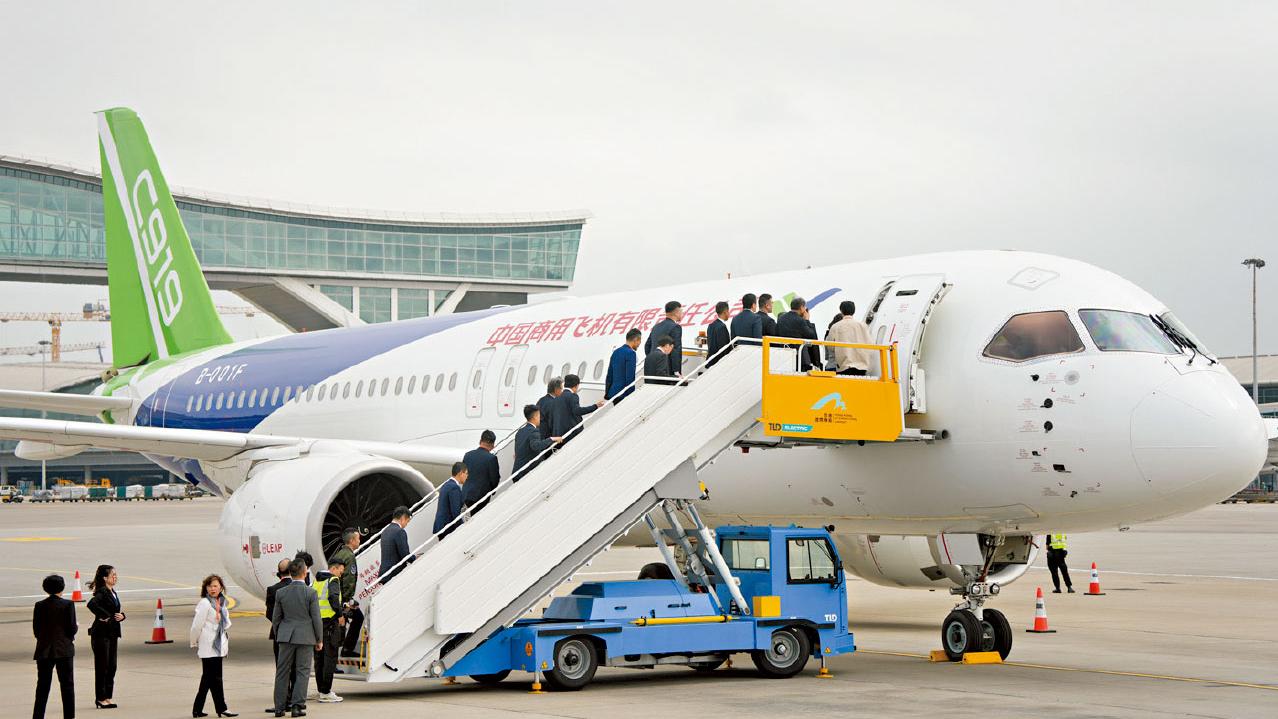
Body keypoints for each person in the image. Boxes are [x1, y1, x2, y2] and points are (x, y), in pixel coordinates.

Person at [272, 559, 322, 718]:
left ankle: (279, 707)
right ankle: (297, 706)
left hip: (286, 636)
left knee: (282, 672)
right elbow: (316, 618)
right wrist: (319, 639)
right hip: (305, 636)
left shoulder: (281, 593)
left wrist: (280, 634)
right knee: (302, 672)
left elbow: (276, 619)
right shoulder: (311, 593)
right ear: (304, 572)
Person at [190, 574, 237, 718]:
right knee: (212, 678)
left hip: (218, 645)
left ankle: (200, 709)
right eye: (210, 586)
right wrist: (193, 641)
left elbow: (226, 622)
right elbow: (196, 625)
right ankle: (220, 708)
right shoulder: (204, 603)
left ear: (221, 587)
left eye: (215, 586)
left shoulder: (221, 602)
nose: (212, 589)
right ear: (206, 588)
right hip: (208, 644)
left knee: (210, 679)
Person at [33, 573, 76, 719]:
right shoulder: (68, 604)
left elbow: (36, 630)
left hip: (44, 650)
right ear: (62, 587)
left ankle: (38, 716)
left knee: (42, 686)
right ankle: (69, 716)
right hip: (63, 649)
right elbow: (71, 628)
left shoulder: (39, 605)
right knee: (67, 685)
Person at [86, 564, 124, 709]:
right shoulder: (102, 592)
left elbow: (114, 610)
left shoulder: (112, 592)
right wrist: (105, 616)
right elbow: (91, 604)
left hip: (112, 633)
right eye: (112, 575)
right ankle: (100, 698)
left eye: (115, 574)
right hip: (101, 634)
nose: (115, 577)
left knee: (112, 666)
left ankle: (108, 696)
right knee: (103, 667)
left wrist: (122, 616)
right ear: (104, 578)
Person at [312, 558, 346, 704]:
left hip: (317, 623)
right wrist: (340, 614)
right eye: (340, 571)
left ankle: (321, 689)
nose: (340, 575)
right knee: (330, 657)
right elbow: (333, 598)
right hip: (330, 623)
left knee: (319, 659)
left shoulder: (316, 581)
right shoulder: (332, 580)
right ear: (333, 569)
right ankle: (326, 692)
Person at [331, 531, 362, 659]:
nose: (359, 541)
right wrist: (348, 600)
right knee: (358, 618)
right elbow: (349, 580)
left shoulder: (340, 554)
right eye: (358, 539)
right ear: (352, 541)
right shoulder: (349, 556)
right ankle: (346, 650)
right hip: (343, 598)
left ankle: (342, 650)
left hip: (337, 596)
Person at [826, 301, 874, 376]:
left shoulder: (836, 326)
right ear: (854, 311)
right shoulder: (863, 326)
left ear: (841, 311)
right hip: (862, 367)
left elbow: (830, 346)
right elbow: (870, 344)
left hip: (844, 366)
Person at [550, 374, 603, 439]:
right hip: (572, 432)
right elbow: (577, 411)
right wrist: (595, 406)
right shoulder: (573, 396)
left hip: (559, 434)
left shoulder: (557, 397)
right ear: (577, 385)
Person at [461, 430, 501, 514]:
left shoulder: (468, 455)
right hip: (481, 496)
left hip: (466, 495)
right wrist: (492, 491)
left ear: (480, 441)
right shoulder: (491, 459)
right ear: (493, 445)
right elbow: (494, 479)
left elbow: (462, 474)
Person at [514, 405, 560, 478]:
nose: (540, 418)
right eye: (539, 416)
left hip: (517, 472)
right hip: (527, 472)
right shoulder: (533, 431)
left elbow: (516, 453)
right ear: (535, 417)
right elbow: (536, 446)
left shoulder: (520, 432)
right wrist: (551, 439)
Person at [777, 297, 820, 371]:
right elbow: (811, 335)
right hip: (799, 358)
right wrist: (807, 320)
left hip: (783, 356)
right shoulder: (800, 320)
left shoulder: (781, 319)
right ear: (801, 307)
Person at [643, 301, 684, 377]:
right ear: (676, 312)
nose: (682, 313)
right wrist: (676, 371)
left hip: (653, 367)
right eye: (681, 311)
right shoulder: (675, 327)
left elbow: (647, 346)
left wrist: (653, 359)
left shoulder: (656, 327)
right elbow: (676, 350)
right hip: (667, 369)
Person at [378, 506, 414, 585]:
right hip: (395, 573)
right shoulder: (399, 531)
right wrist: (414, 558)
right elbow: (405, 554)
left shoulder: (385, 532)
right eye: (407, 521)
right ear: (403, 518)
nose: (406, 525)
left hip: (385, 574)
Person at [604, 329, 641, 401]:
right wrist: (631, 396)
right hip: (623, 394)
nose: (639, 344)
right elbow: (630, 377)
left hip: (613, 393)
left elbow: (609, 374)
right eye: (639, 341)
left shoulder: (615, 352)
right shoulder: (631, 353)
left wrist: (607, 392)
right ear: (635, 340)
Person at [433, 462, 467, 539]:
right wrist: (462, 526)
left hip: (441, 526)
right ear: (460, 473)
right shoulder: (454, 488)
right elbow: (455, 512)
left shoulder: (446, 485)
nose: (467, 476)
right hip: (448, 527)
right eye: (466, 473)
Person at [705, 301, 731, 366]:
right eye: (728, 311)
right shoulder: (722, 327)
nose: (729, 314)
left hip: (710, 360)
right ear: (725, 312)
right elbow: (723, 348)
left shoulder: (711, 325)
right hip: (718, 362)